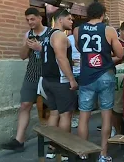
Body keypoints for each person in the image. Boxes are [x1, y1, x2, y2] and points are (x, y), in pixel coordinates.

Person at [74, 2, 124, 161]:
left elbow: (80, 48)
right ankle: (103, 154)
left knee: (84, 115)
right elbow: (120, 53)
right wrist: (107, 58)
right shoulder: (108, 30)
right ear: (102, 14)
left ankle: (82, 152)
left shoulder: (77, 30)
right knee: (106, 115)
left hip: (86, 76)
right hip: (105, 75)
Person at [1, 7, 50, 152]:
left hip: (48, 75)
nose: (30, 22)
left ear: (40, 18)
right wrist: (27, 46)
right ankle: (19, 140)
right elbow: (22, 56)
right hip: (32, 74)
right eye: (27, 20)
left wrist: (40, 48)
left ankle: (55, 142)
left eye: (32, 19)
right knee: (25, 105)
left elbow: (57, 54)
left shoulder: (51, 33)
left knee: (50, 109)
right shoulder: (28, 34)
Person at [40, 9, 77, 158]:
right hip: (60, 81)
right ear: (60, 20)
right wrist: (72, 79)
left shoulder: (47, 35)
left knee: (54, 113)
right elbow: (61, 58)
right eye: (69, 18)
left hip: (47, 80)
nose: (72, 21)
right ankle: (64, 149)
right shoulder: (60, 35)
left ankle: (51, 147)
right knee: (66, 115)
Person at [68, 25, 81, 128]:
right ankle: (72, 117)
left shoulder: (85, 37)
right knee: (71, 96)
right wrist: (71, 62)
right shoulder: (68, 39)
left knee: (82, 96)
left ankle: (80, 117)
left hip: (83, 71)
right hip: (72, 71)